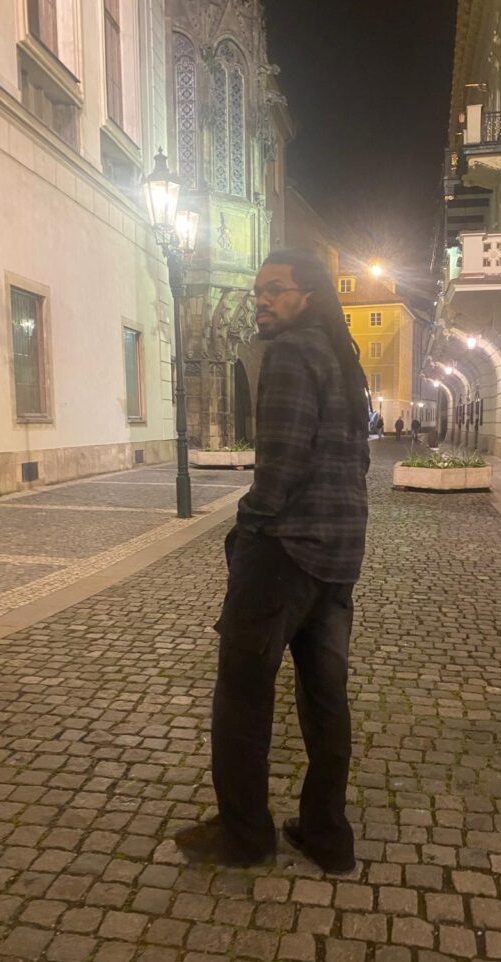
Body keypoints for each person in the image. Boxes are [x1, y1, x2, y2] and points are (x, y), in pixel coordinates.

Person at [175, 249, 370, 873]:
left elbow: (278, 468)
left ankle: (246, 837)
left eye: (275, 290)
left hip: (285, 555)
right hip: (337, 558)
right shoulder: (343, 361)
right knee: (324, 701)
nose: (262, 299)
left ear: (305, 296)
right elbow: (356, 463)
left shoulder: (289, 354)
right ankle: (327, 836)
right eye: (259, 289)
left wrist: (246, 533)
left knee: (241, 699)